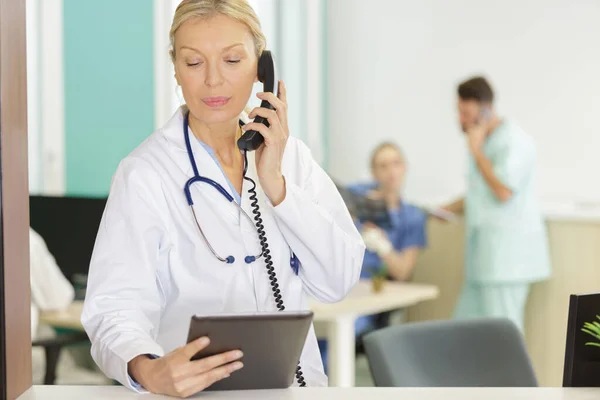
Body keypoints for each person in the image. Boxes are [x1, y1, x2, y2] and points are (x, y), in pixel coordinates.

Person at [80, 0, 364, 397]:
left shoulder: (293, 158)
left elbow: (338, 281)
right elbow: (114, 307)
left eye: (232, 60)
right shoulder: (145, 173)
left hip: (294, 392)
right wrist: (146, 369)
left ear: (262, 68)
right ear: (176, 69)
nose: (213, 80)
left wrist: (277, 187)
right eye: (194, 63)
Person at [440, 76, 551, 333]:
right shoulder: (486, 143)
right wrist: (445, 209)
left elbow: (503, 190)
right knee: (463, 331)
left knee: (503, 336)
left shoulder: (514, 141)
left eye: (465, 112)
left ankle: (509, 376)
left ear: (486, 108)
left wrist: (477, 152)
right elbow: (479, 194)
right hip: (483, 260)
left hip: (506, 263)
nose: (461, 120)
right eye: (459, 112)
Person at [319, 143, 427, 371]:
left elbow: (403, 271)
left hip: (371, 297)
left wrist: (383, 246)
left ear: (405, 167)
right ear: (374, 172)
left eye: (396, 163)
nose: (391, 171)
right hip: (337, 284)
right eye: (383, 166)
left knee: (334, 344)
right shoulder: (358, 196)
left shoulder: (412, 216)